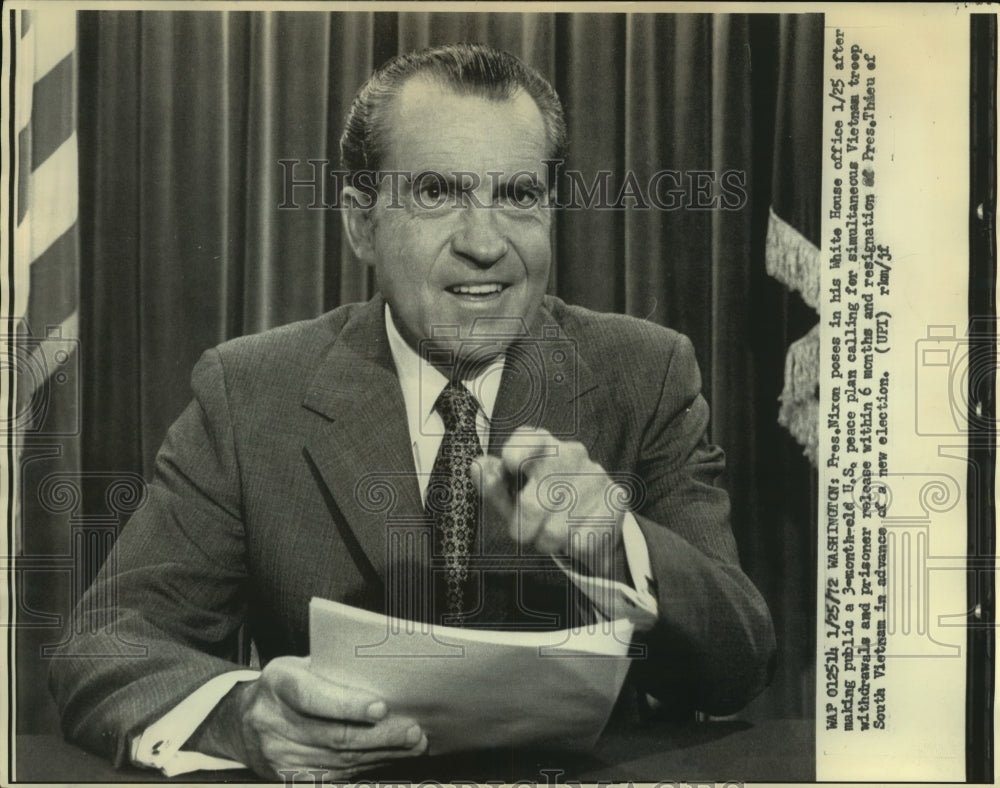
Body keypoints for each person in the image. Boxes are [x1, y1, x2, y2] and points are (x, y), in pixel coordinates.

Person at [49, 43, 776, 781]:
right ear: (361, 224)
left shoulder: (645, 373)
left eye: (518, 195)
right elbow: (106, 644)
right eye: (436, 193)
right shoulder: (249, 394)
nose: (485, 244)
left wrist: (617, 544)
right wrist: (237, 718)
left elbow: (741, 663)